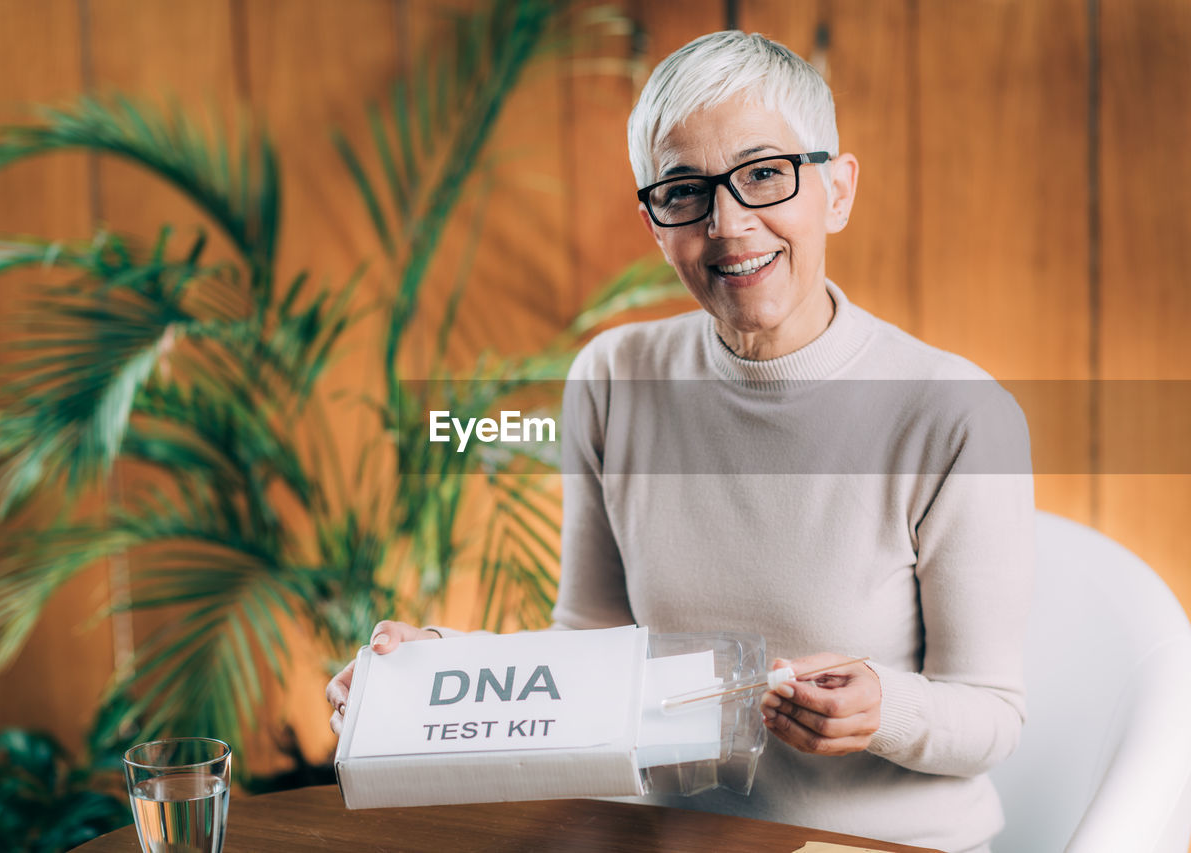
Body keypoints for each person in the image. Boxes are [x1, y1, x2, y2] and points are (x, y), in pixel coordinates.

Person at [327, 30, 1033, 853]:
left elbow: (992, 713)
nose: (728, 224)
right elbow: (589, 648)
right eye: (684, 191)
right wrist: (440, 670)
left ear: (836, 191)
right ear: (655, 223)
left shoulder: (955, 412)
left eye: (766, 175)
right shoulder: (614, 379)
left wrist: (886, 707)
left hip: (876, 846)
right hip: (668, 838)